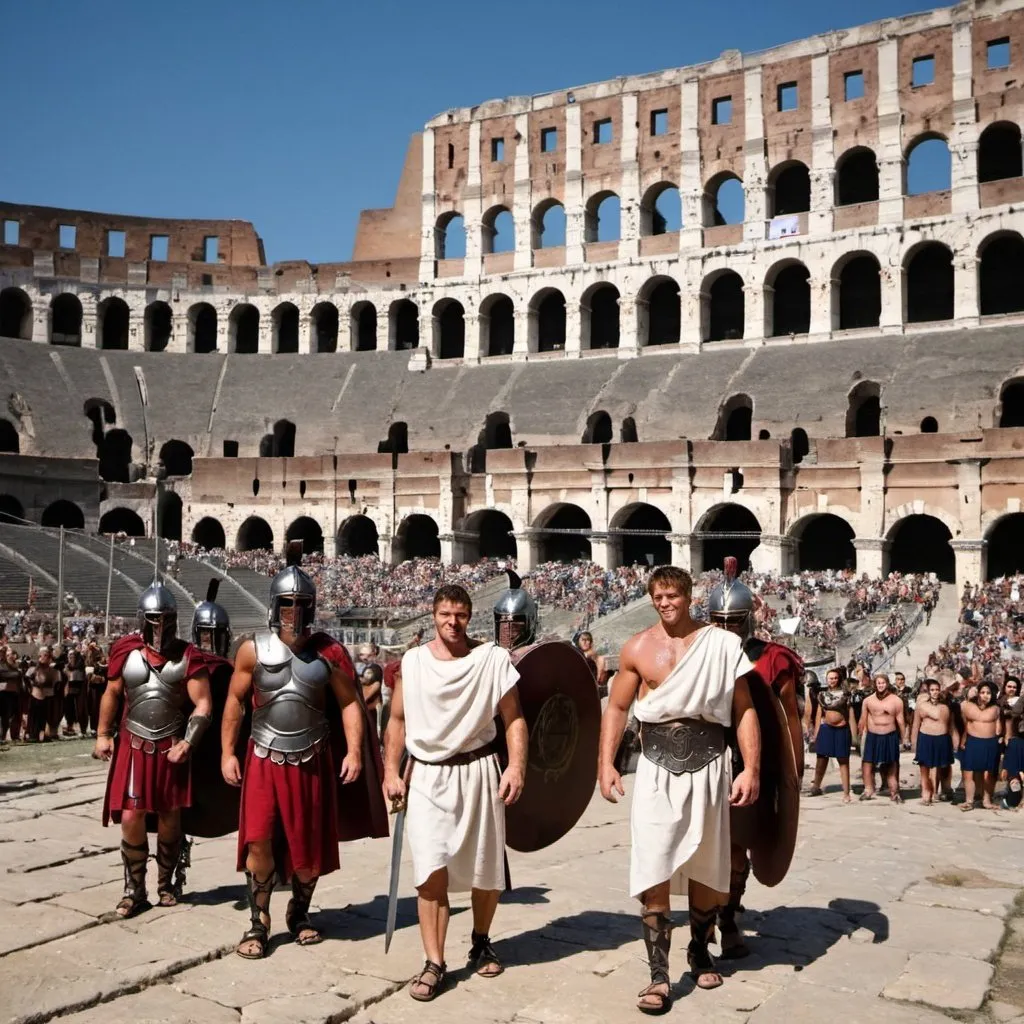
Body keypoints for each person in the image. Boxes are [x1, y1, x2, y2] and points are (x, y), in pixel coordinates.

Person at [598, 566, 760, 1015]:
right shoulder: (638, 648)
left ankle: (698, 949)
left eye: (672, 595)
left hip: (711, 763)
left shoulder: (722, 645)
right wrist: (605, 763)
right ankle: (657, 974)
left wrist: (751, 769)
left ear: (689, 597)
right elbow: (616, 707)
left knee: (707, 865)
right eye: (658, 596)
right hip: (655, 767)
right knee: (654, 864)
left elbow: (744, 710)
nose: (665, 603)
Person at [221, 554, 385, 959]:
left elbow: (350, 704)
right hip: (262, 756)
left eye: (302, 604)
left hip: (313, 759)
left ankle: (300, 911)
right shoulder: (251, 651)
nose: (295, 612)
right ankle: (259, 921)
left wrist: (354, 752)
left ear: (312, 607)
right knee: (258, 842)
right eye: (288, 603)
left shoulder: (329, 653)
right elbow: (235, 702)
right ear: (275, 605)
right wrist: (227, 752)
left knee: (308, 848)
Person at [383, 584, 526, 1002]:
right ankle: (434, 961)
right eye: (445, 614)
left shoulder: (492, 660)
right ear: (433, 615)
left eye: (460, 614)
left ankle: (481, 940)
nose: (452, 622)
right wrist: (391, 771)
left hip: (480, 769)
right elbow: (396, 722)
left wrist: (516, 766)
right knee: (430, 872)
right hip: (427, 775)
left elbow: (514, 719)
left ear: (469, 616)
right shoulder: (412, 662)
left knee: (485, 870)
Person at [95, 583, 213, 917]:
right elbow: (112, 693)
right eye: (153, 619)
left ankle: (166, 883)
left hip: (171, 745)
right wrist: (103, 734)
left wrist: (188, 742)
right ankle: (134, 889)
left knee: (169, 815)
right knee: (131, 815)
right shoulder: (126, 652)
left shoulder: (187, 656)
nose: (159, 626)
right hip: (133, 745)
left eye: (166, 619)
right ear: (142, 619)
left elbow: (203, 705)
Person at [706, 558, 804, 960]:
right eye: (719, 619)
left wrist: (792, 776)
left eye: (734, 620)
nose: (727, 627)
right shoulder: (698, 653)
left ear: (748, 618)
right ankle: (705, 915)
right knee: (701, 847)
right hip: (706, 762)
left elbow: (789, 719)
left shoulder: (772, 659)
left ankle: (728, 917)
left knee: (736, 848)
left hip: (750, 765)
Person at [858, 674, 905, 802]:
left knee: (892, 764)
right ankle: (868, 790)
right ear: (875, 684)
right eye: (878, 683)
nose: (880, 685)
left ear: (888, 683)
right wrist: (860, 735)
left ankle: (894, 792)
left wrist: (904, 739)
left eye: (883, 683)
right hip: (873, 736)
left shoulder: (896, 700)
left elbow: (900, 721)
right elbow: (863, 719)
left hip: (890, 736)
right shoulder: (868, 700)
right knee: (867, 763)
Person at [808, 669, 853, 802]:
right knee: (821, 758)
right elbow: (818, 715)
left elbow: (850, 713)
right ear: (826, 680)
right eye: (830, 678)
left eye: (834, 678)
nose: (832, 680)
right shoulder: (822, 695)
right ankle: (816, 786)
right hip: (826, 728)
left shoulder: (845, 695)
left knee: (843, 760)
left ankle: (846, 793)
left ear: (838, 679)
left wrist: (853, 733)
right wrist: (816, 734)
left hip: (841, 729)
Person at [910, 678, 957, 805]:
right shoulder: (922, 706)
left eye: (937, 689)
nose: (935, 692)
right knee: (924, 768)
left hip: (942, 738)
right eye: (932, 690)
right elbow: (915, 724)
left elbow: (951, 726)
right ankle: (926, 792)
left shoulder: (947, 705)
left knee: (943, 767)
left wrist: (955, 741)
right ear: (928, 691)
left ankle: (944, 790)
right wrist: (913, 742)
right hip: (926, 737)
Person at [958, 680, 1002, 811]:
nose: (985, 695)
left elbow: (999, 729)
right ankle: (969, 801)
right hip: (973, 742)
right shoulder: (967, 706)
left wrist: (1000, 739)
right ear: (978, 693)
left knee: (990, 773)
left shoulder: (996, 709)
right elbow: (965, 725)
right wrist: (963, 740)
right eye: (982, 692)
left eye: (988, 693)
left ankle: (986, 800)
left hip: (990, 743)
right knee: (968, 772)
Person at [0, 646, 23, 742]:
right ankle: (2, 737)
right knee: (3, 716)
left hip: (14, 694)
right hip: (3, 694)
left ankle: (9, 736)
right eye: (7, 654)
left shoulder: (16, 666)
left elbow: (20, 680)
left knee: (10, 716)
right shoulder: (2, 666)